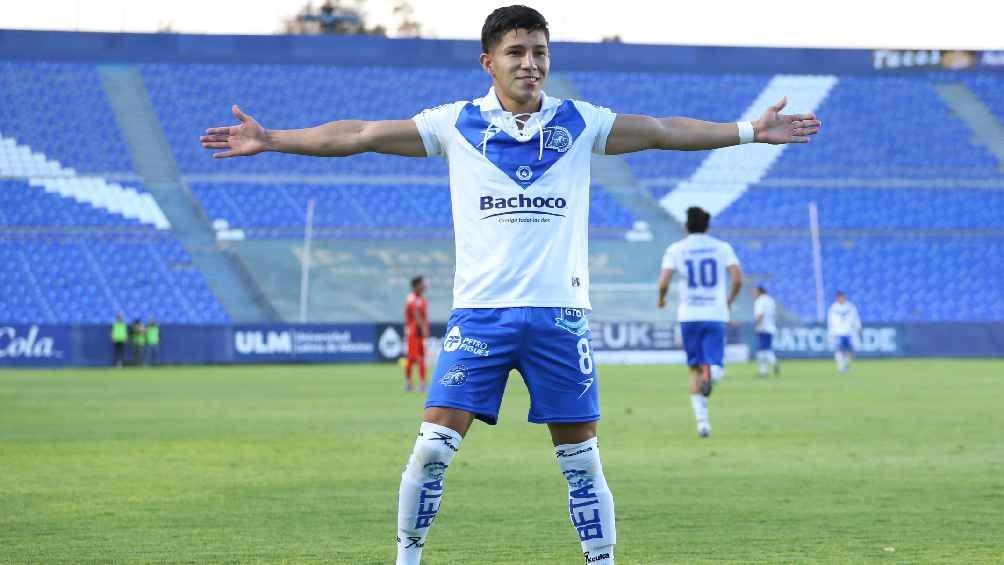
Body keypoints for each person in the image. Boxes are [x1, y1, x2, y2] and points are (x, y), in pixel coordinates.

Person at [200, 5, 821, 563]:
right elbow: (359, 135)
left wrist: (748, 131)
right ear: (488, 62)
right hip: (481, 316)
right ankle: (408, 558)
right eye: (517, 52)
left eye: (540, 52)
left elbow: (661, 130)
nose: (531, 63)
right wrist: (272, 139)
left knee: (582, 463)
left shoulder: (580, 122)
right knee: (432, 449)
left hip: (560, 317)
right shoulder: (454, 123)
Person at [658, 207, 743, 438]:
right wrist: (728, 301)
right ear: (708, 226)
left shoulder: (676, 249)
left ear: (686, 226)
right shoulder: (722, 247)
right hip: (715, 314)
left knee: (694, 369)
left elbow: (663, 283)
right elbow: (737, 279)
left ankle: (703, 424)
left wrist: (662, 299)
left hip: (689, 316)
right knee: (715, 365)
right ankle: (712, 374)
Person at [403, 276, 430, 391]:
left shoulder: (421, 299)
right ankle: (412, 383)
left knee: (419, 357)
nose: (425, 286)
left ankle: (419, 383)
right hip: (413, 332)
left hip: (418, 332)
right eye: (422, 284)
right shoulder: (411, 298)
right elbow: (415, 314)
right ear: (416, 285)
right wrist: (423, 328)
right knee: (414, 357)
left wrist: (424, 327)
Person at [827, 291, 860, 373]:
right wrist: (831, 332)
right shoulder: (833, 308)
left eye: (842, 297)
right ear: (837, 298)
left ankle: (845, 366)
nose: (840, 299)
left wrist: (858, 327)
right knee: (839, 350)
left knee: (849, 351)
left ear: (844, 297)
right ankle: (840, 367)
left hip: (849, 332)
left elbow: (855, 318)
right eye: (839, 297)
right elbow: (830, 321)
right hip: (838, 332)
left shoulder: (850, 307)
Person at [752, 285, 780, 377]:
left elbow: (760, 315)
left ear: (759, 291)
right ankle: (770, 365)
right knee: (766, 348)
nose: (754, 293)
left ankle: (766, 369)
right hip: (771, 327)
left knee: (761, 350)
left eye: (755, 291)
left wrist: (756, 325)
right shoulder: (770, 300)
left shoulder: (760, 301)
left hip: (763, 328)